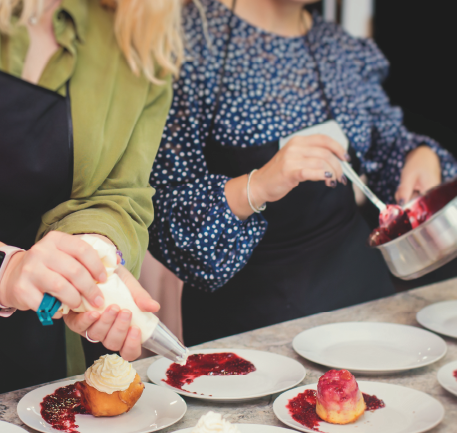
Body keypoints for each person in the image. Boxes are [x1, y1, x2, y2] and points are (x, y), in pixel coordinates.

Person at [149, 0, 457, 346]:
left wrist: (419, 155)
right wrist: (257, 186)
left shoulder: (338, 47)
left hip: (366, 305)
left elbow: (387, 144)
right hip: (252, 327)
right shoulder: (188, 42)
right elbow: (163, 217)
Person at [0, 0, 182, 404]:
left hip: (38, 346)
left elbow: (117, 193)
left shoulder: (137, 43)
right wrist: (5, 271)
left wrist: (92, 255)